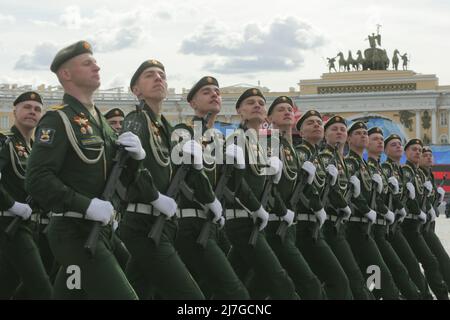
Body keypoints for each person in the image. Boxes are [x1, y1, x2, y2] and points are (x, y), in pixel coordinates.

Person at [25, 40, 142, 299]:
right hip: (73, 230)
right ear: (66, 74)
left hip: (100, 230)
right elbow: (37, 179)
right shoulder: (59, 119)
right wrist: (85, 205)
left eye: (95, 61)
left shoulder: (100, 122)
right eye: (87, 63)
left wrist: (136, 158)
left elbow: (122, 179)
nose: (97, 66)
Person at [119, 59, 204, 299]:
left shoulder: (166, 127)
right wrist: (154, 197)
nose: (158, 78)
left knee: (141, 290)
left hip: (162, 222)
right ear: (136, 90)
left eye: (162, 75)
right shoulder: (136, 120)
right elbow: (128, 167)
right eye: (149, 75)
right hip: (143, 221)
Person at [172, 76, 249, 299]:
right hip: (189, 223)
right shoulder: (183, 132)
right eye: (206, 91)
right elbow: (188, 178)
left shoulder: (218, 138)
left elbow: (231, 185)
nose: (214, 94)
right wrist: (209, 200)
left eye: (216, 91)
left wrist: (239, 166)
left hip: (212, 223)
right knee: (235, 292)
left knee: (209, 288)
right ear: (193, 103)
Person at [224, 88, 298, 299]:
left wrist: (280, 209)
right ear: (239, 111)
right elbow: (234, 183)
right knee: (280, 281)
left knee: (238, 283)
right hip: (242, 221)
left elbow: (267, 189)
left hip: (256, 223)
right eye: (250, 103)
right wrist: (257, 208)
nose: (256, 105)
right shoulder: (235, 140)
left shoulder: (262, 146)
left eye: (260, 103)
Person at [261, 96, 325, 299]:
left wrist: (316, 205)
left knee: (258, 285)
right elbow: (264, 186)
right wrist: (282, 210)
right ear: (269, 117)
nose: (287, 111)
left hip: (289, 225)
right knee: (308, 282)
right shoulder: (267, 143)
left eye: (290, 108)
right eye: (281, 109)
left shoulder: (291, 150)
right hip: (272, 223)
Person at [294, 110, 353, 300]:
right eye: (310, 123)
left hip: (316, 227)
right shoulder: (302, 153)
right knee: (335, 279)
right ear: (301, 132)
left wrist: (343, 204)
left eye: (319, 122)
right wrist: (317, 206)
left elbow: (327, 190)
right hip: (303, 226)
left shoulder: (318, 158)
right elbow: (300, 189)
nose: (317, 125)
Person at [0, 91, 52, 299]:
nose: (32, 112)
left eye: (37, 109)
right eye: (27, 107)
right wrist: (11, 204)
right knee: (42, 288)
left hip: (32, 226)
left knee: (8, 285)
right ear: (15, 111)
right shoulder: (5, 142)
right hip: (9, 225)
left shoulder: (36, 149)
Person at [345, 121, 401, 299]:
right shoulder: (351, 163)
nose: (364, 136)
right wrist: (372, 209)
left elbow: (374, 197)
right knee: (377, 270)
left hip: (370, 227)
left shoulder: (366, 166)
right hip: (355, 226)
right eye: (359, 133)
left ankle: (376, 295)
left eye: (365, 133)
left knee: (372, 270)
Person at [320, 115, 374, 300]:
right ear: (325, 134)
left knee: (350, 276)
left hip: (342, 227)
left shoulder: (342, 160)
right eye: (334, 129)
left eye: (342, 129)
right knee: (349, 276)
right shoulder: (325, 158)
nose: (339, 132)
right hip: (328, 226)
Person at [367, 127, 420, 299]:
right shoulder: (374, 167)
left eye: (381, 139)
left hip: (388, 226)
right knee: (377, 270)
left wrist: (400, 200)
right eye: (375, 139)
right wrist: (383, 210)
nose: (379, 142)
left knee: (384, 269)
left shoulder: (382, 169)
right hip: (370, 228)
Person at [382, 134, 433, 299]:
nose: (397, 147)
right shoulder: (387, 169)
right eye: (393, 144)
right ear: (385, 149)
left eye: (399, 144)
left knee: (404, 265)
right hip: (388, 226)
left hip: (398, 225)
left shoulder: (400, 171)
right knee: (395, 267)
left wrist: (430, 202)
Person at [399, 138, 448, 299]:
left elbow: (422, 200)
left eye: (425, 153)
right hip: (407, 226)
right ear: (406, 152)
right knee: (423, 263)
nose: (422, 155)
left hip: (422, 226)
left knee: (433, 261)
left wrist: (434, 201)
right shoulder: (406, 171)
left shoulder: (421, 174)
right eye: (417, 151)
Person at [419, 146, 450, 291]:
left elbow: (432, 206)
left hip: (429, 226)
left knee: (434, 262)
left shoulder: (429, 175)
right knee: (437, 260)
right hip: (418, 228)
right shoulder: (417, 175)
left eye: (430, 155)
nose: (428, 157)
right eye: (424, 155)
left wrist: (438, 198)